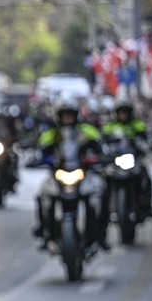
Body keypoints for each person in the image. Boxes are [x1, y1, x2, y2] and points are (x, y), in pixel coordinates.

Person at [34, 92, 107, 250]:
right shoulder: (51, 134)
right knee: (42, 196)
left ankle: (100, 235)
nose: (67, 118)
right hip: (59, 175)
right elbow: (40, 152)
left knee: (100, 194)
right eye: (64, 115)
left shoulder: (87, 131)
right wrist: (39, 159)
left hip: (82, 173)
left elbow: (101, 148)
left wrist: (97, 157)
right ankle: (45, 232)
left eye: (70, 114)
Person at [103, 96, 152, 220]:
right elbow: (103, 142)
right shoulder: (110, 127)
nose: (123, 115)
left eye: (125, 112)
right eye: (121, 112)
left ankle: (147, 204)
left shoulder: (138, 125)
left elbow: (146, 141)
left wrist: (141, 145)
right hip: (116, 161)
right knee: (103, 181)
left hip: (133, 160)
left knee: (145, 176)